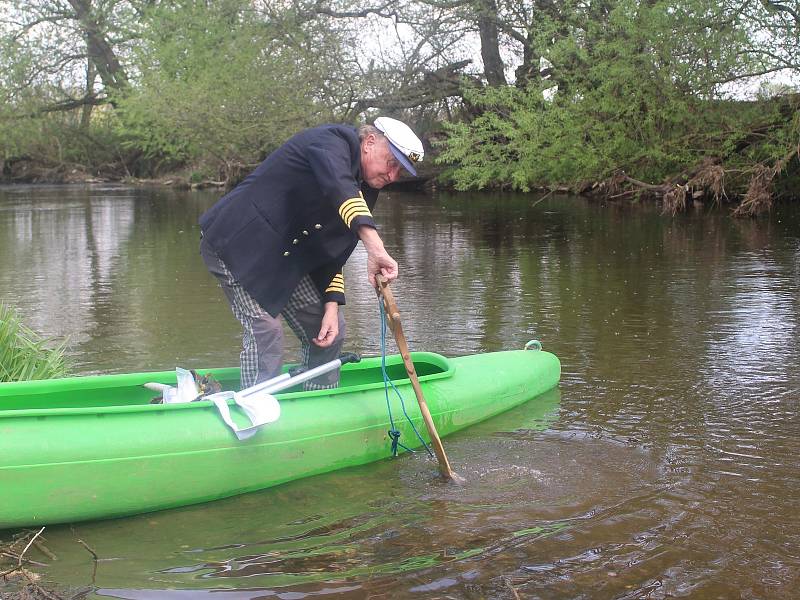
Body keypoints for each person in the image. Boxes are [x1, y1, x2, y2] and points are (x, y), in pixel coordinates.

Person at [199, 117, 424, 390]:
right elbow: (339, 187)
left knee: (332, 327)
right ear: (370, 142)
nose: (392, 177)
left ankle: (317, 401)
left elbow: (333, 251)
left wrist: (331, 303)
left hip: (285, 258)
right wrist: (376, 248)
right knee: (266, 331)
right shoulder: (330, 142)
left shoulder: (366, 188)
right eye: (392, 164)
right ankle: (255, 407)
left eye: (400, 172)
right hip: (236, 244)